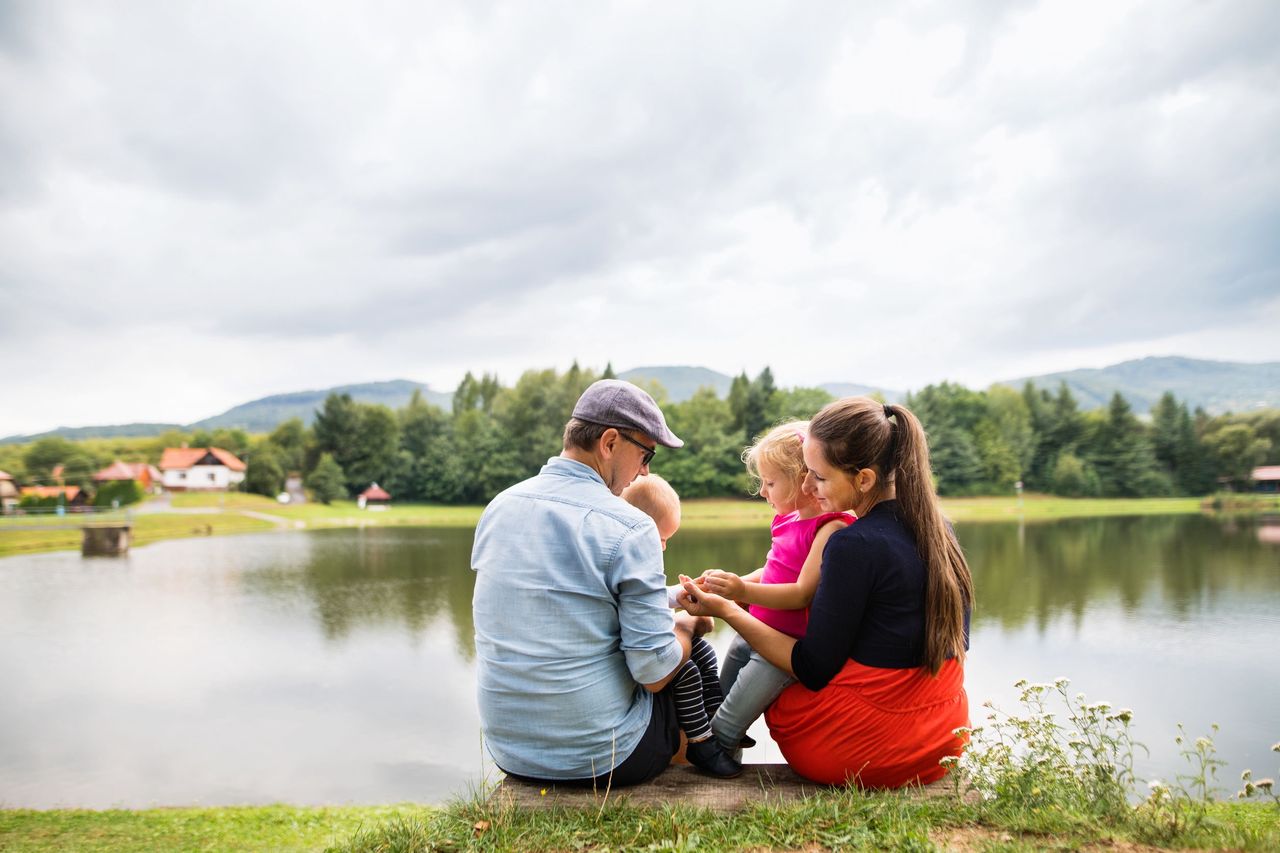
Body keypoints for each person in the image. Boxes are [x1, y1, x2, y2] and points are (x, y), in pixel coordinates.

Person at [678, 398, 973, 788]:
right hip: (941, 741)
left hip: (861, 750)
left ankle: (715, 744)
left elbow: (812, 667)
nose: (807, 486)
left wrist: (730, 610)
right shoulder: (939, 531)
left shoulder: (853, 545)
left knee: (770, 668)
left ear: (864, 479)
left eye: (817, 476)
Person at [472, 379, 722, 788]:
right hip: (604, 759)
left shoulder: (500, 506)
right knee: (688, 663)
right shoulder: (629, 525)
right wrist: (688, 626)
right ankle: (697, 772)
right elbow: (654, 672)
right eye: (645, 454)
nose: (645, 471)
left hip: (511, 752)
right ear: (609, 442)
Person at [695, 422, 855, 755]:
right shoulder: (787, 517)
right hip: (753, 633)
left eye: (770, 483)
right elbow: (772, 571)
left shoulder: (830, 527)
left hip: (782, 652)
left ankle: (718, 782)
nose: (762, 492)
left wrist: (741, 591)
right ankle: (719, 768)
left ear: (804, 479)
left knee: (727, 724)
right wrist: (729, 584)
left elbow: (801, 594)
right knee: (717, 709)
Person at [620, 475, 741, 776]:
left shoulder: (632, 553)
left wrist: (681, 593)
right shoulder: (627, 558)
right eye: (661, 538)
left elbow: (652, 598)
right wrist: (684, 621)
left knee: (703, 651)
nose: (662, 548)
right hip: (628, 656)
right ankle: (701, 742)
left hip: (643, 646)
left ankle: (714, 713)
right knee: (685, 672)